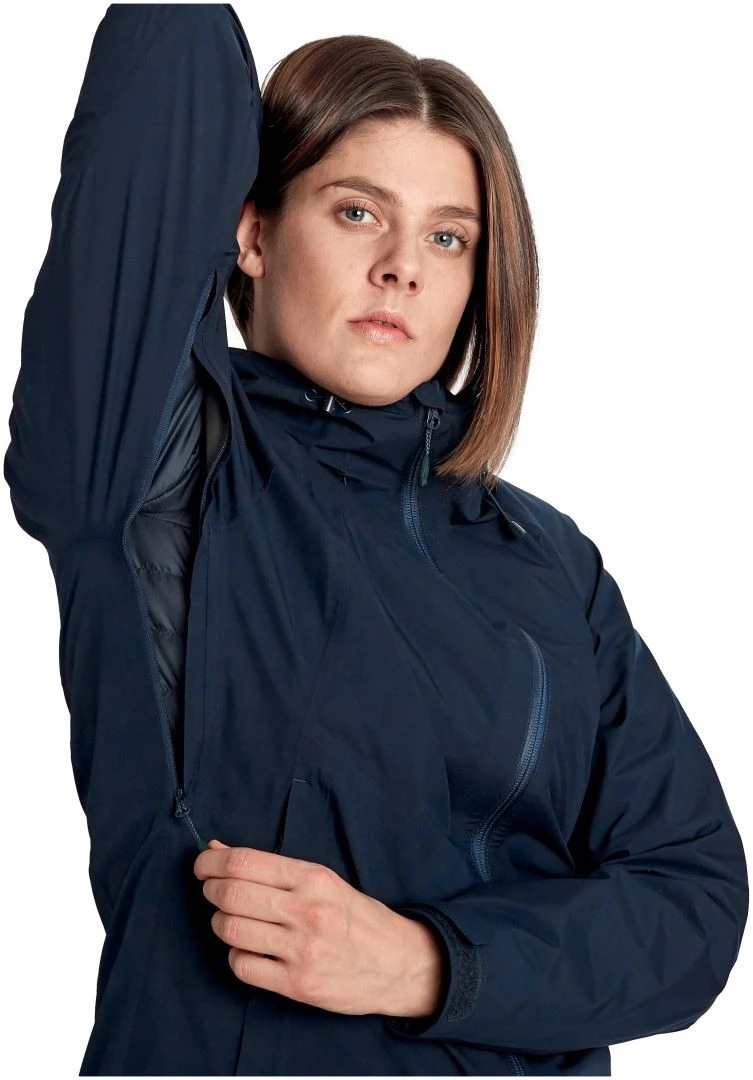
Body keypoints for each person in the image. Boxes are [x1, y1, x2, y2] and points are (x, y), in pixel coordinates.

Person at [3, 4, 747, 1076]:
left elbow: (691, 902)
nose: (404, 266)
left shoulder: (549, 559)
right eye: (357, 212)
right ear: (251, 233)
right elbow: (166, 66)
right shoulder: (154, 476)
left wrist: (426, 965)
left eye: (448, 236)